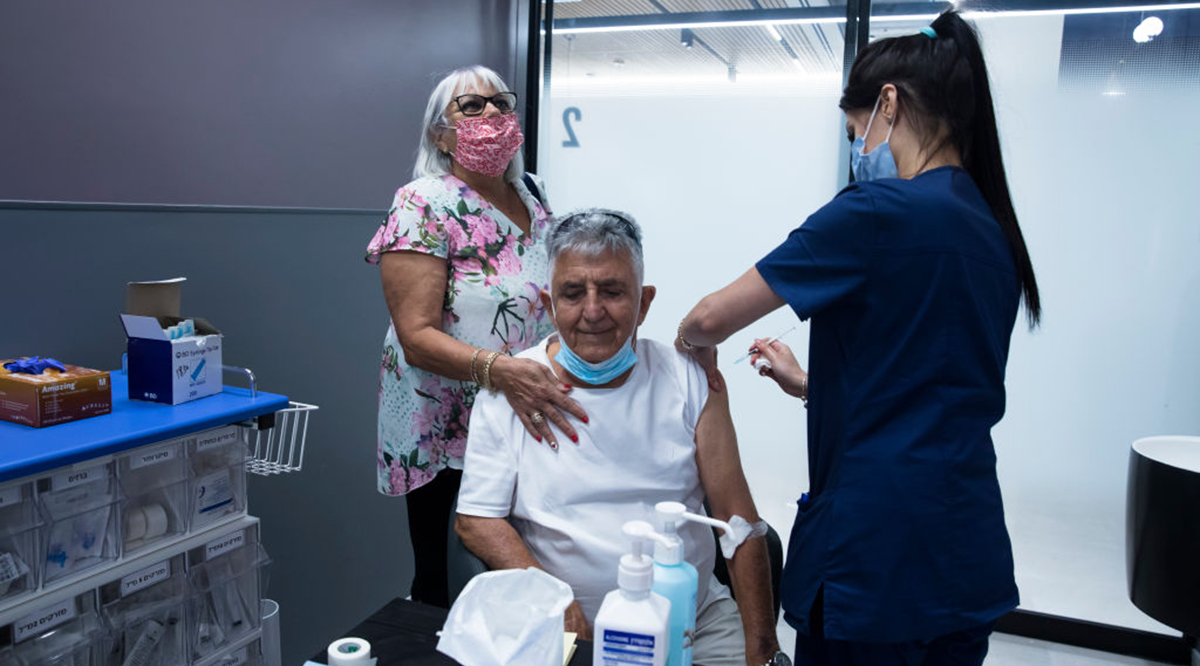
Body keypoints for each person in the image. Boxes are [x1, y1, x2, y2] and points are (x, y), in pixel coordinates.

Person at [676, 11, 1040, 666]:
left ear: (889, 104)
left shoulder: (876, 213)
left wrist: (686, 339)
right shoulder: (993, 232)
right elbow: (930, 381)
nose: (859, 147)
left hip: (878, 557)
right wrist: (813, 386)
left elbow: (709, 319)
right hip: (966, 548)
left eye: (855, 129)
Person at [455, 209, 786, 666]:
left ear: (644, 303)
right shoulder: (513, 391)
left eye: (612, 291)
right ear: (550, 306)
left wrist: (764, 652)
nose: (593, 312)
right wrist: (555, 600)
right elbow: (476, 519)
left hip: (694, 623)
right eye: (573, 294)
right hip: (562, 627)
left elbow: (738, 522)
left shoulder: (689, 379)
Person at [364, 65, 587, 608]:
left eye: (500, 103)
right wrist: (503, 371)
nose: (491, 114)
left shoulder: (532, 195)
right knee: (449, 582)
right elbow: (415, 335)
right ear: (441, 135)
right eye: (470, 107)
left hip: (520, 410)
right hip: (445, 425)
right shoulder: (423, 202)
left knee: (520, 571)